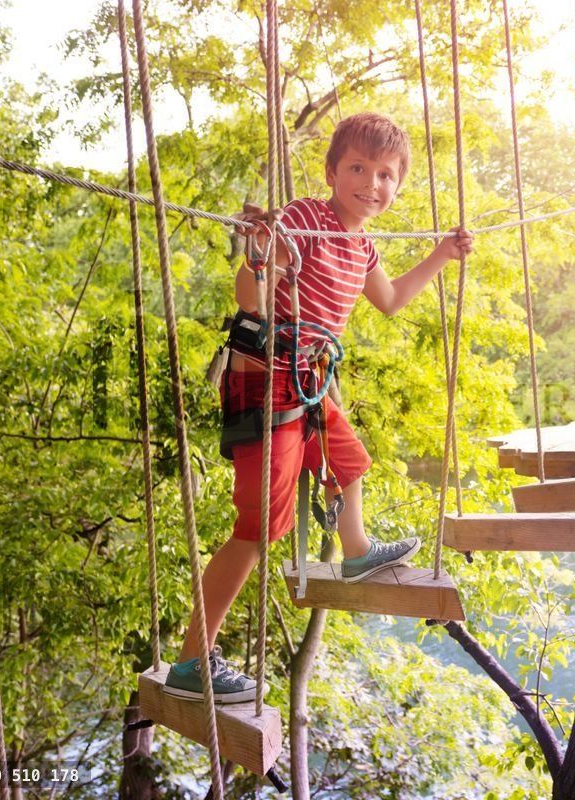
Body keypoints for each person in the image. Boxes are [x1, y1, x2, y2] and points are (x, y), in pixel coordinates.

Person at [163, 112, 474, 703]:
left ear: (397, 185)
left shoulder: (363, 245)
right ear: (333, 172)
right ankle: (191, 662)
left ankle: (356, 553)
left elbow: (390, 301)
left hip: (306, 382)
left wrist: (439, 256)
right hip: (268, 380)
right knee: (257, 530)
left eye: (385, 174)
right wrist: (261, 257)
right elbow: (250, 293)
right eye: (358, 168)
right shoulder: (306, 217)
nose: (371, 183)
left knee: (349, 460)